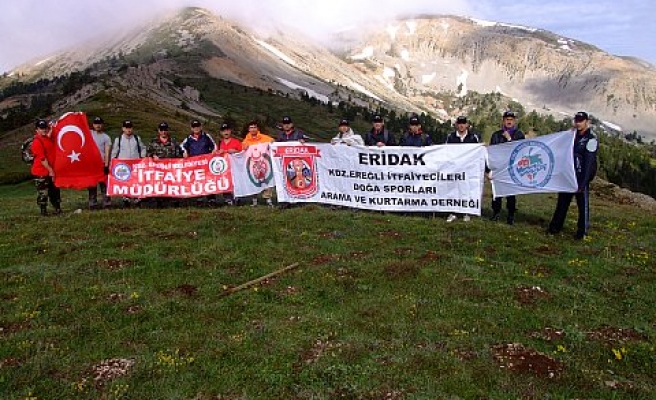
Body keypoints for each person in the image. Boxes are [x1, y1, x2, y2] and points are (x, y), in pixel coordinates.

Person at [547, 111, 598, 240]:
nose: (578, 123)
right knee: (562, 203)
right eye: (576, 120)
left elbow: (589, 163)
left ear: (587, 122)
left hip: (580, 177)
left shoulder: (591, 139)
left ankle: (582, 232)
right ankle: (554, 228)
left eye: (581, 121)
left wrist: (583, 182)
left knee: (582, 206)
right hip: (568, 175)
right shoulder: (571, 136)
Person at [488, 110, 525, 225]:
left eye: (511, 119)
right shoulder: (496, 135)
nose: (509, 121)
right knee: (496, 193)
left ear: (514, 121)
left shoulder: (519, 135)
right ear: (503, 121)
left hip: (511, 168)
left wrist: (509, 139)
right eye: (507, 119)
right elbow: (491, 153)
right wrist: (489, 169)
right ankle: (496, 212)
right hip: (498, 167)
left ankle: (511, 214)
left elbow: (521, 150)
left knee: (510, 193)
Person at [444, 116, 481, 222]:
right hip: (454, 168)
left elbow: (478, 153)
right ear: (456, 125)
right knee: (453, 190)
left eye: (463, 123)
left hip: (468, 169)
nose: (461, 125)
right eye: (459, 123)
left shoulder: (473, 137)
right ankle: (453, 212)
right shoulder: (450, 137)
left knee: (467, 190)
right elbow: (446, 152)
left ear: (467, 125)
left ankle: (466, 212)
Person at [111, 119, 147, 207]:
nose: (128, 130)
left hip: (136, 165)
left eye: (130, 127)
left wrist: (142, 157)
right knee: (125, 183)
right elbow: (114, 152)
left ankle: (137, 200)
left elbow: (143, 148)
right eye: (126, 128)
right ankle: (126, 201)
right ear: (123, 128)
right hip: (123, 166)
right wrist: (112, 163)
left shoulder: (136, 138)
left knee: (136, 182)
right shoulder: (118, 139)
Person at [146, 122, 181, 208]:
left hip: (171, 169)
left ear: (167, 130)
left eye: (165, 130)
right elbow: (148, 154)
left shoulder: (173, 141)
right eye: (161, 130)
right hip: (158, 170)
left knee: (173, 185)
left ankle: (174, 201)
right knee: (159, 185)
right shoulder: (153, 142)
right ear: (159, 131)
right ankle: (159, 202)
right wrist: (152, 156)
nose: (163, 132)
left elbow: (179, 154)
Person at [31, 119, 61, 216]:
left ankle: (57, 208)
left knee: (55, 191)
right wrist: (51, 170)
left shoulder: (46, 138)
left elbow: (48, 136)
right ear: (37, 130)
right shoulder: (36, 142)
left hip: (50, 171)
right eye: (41, 128)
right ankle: (43, 211)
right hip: (41, 172)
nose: (44, 130)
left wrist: (52, 128)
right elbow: (42, 159)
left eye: (45, 128)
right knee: (43, 193)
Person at [242, 120, 275, 207]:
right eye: (251, 127)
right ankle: (254, 201)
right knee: (253, 181)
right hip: (252, 166)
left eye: (254, 127)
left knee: (266, 181)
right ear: (248, 129)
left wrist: (271, 143)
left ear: (257, 128)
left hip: (264, 164)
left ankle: (268, 200)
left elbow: (273, 141)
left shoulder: (264, 137)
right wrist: (244, 148)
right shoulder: (246, 140)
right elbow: (242, 151)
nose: (253, 129)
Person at [88, 116, 112, 209]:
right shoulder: (89, 134)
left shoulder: (106, 137)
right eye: (96, 123)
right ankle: (92, 203)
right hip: (91, 164)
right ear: (93, 125)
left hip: (101, 163)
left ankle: (107, 203)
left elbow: (107, 151)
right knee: (92, 185)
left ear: (102, 125)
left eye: (99, 123)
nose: (98, 125)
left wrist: (106, 165)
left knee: (104, 185)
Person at [216, 122, 242, 206]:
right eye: (223, 131)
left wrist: (236, 151)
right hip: (224, 167)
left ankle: (237, 197)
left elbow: (242, 153)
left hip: (235, 167)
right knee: (225, 181)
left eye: (227, 130)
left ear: (230, 131)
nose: (226, 132)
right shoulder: (220, 143)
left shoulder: (236, 141)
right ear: (221, 133)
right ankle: (228, 199)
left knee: (235, 182)